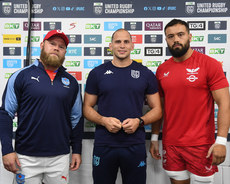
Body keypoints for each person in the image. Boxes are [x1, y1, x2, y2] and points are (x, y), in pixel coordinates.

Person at [149, 19, 230, 184]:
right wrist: (154, 137)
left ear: (190, 36)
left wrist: (221, 141)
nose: (176, 40)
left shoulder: (210, 65)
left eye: (180, 35)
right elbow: (160, 107)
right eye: (170, 36)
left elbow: (224, 104)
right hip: (171, 143)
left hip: (201, 144)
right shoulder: (162, 70)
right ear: (166, 40)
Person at [0, 30, 84, 184]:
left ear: (65, 52)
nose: (56, 48)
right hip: (25, 158)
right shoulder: (21, 76)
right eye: (52, 43)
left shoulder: (71, 82)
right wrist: (6, 150)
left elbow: (76, 119)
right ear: (42, 45)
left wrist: (77, 150)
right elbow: (5, 114)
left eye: (61, 46)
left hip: (60, 157)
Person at [83, 28, 162, 184]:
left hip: (134, 144)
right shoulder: (97, 73)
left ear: (132, 46)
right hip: (104, 144)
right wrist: (103, 120)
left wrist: (139, 121)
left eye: (126, 42)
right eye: (118, 41)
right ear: (110, 46)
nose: (122, 45)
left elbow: (158, 109)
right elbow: (87, 108)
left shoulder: (145, 73)